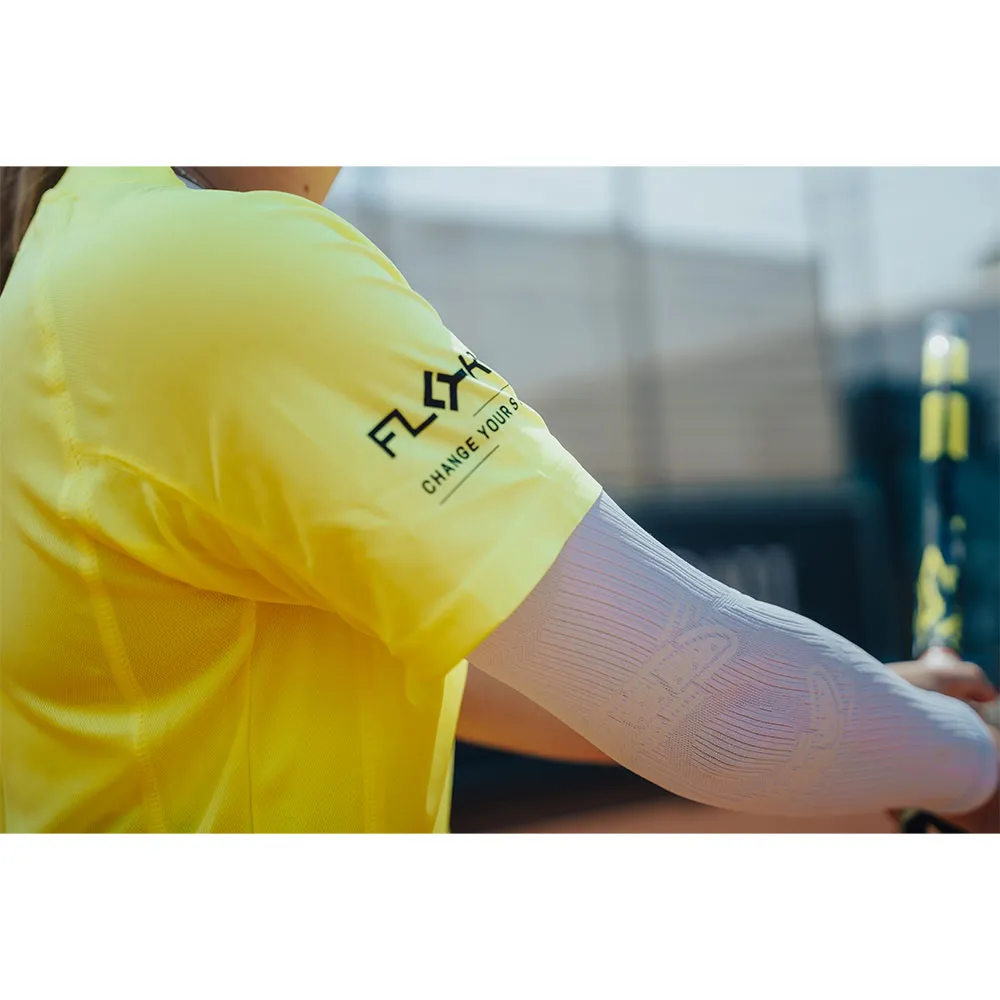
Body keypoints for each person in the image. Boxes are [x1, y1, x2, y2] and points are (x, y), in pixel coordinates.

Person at [1, 165, 997, 834]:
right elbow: (714, 694)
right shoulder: (211, 266)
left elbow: (467, 678)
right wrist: (971, 766)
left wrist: (883, 719)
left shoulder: (49, 284)